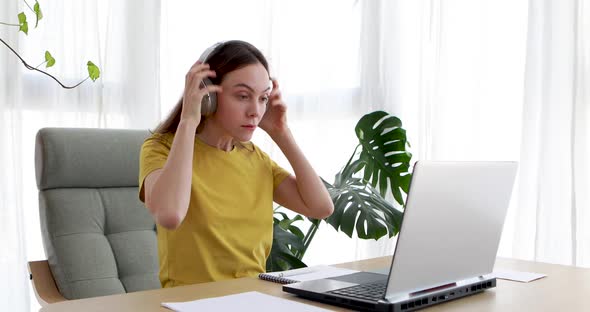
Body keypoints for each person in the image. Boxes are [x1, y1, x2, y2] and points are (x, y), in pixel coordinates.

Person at [138, 40, 334, 288]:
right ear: (208, 95)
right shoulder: (161, 148)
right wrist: (188, 120)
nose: (255, 110)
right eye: (243, 96)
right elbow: (170, 215)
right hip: (190, 302)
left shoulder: (256, 159)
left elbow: (321, 207)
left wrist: (282, 133)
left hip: (252, 299)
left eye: (263, 98)